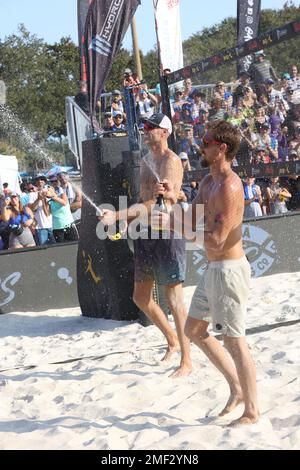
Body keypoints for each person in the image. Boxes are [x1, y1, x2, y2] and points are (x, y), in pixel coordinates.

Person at [154, 120, 260, 426]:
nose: (201, 145)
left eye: (206, 142)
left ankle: (252, 412)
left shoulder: (229, 185)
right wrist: (172, 197)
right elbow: (192, 217)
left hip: (229, 270)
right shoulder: (208, 182)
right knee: (194, 331)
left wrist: (175, 226)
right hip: (214, 269)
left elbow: (216, 238)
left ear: (222, 148)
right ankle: (237, 388)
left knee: (235, 340)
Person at [100, 113, 192, 378]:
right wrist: (131, 221)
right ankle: (172, 340)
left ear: (164, 132)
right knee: (140, 297)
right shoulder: (146, 161)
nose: (145, 129)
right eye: (145, 125)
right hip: (146, 231)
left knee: (174, 299)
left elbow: (160, 203)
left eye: (151, 126)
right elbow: (144, 199)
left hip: (167, 231)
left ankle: (187, 360)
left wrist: (117, 215)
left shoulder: (171, 162)